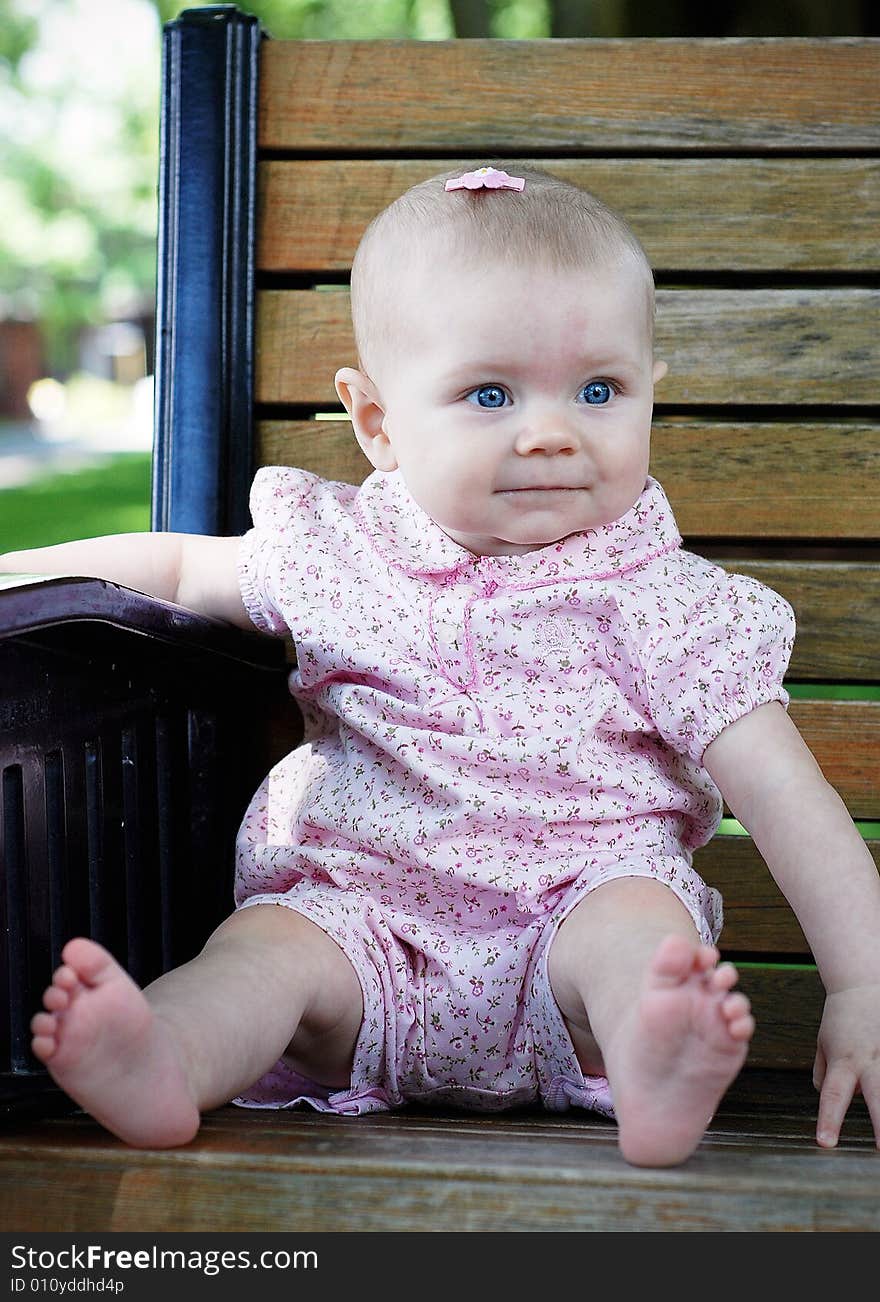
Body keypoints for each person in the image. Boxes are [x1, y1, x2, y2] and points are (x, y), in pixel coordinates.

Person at [3, 164, 879, 1167]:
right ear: (376, 422)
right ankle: (166, 1055)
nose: (551, 432)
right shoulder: (332, 551)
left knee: (641, 932)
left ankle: (655, 1062)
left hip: (570, 925)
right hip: (366, 932)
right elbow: (170, 566)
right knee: (262, 956)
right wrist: (16, 572)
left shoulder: (665, 604)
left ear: (650, 394)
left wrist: (862, 989)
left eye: (599, 389)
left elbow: (786, 798)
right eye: (490, 393)